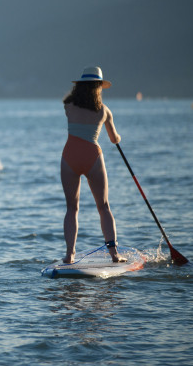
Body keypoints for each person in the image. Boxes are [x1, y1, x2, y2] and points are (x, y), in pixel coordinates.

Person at [61, 66, 125, 264]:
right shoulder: (104, 111)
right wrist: (118, 136)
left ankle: (70, 254)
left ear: (80, 86)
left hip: (69, 156)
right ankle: (114, 254)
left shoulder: (68, 105)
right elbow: (114, 139)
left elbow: (75, 112)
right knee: (103, 207)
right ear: (99, 87)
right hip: (92, 157)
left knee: (72, 208)